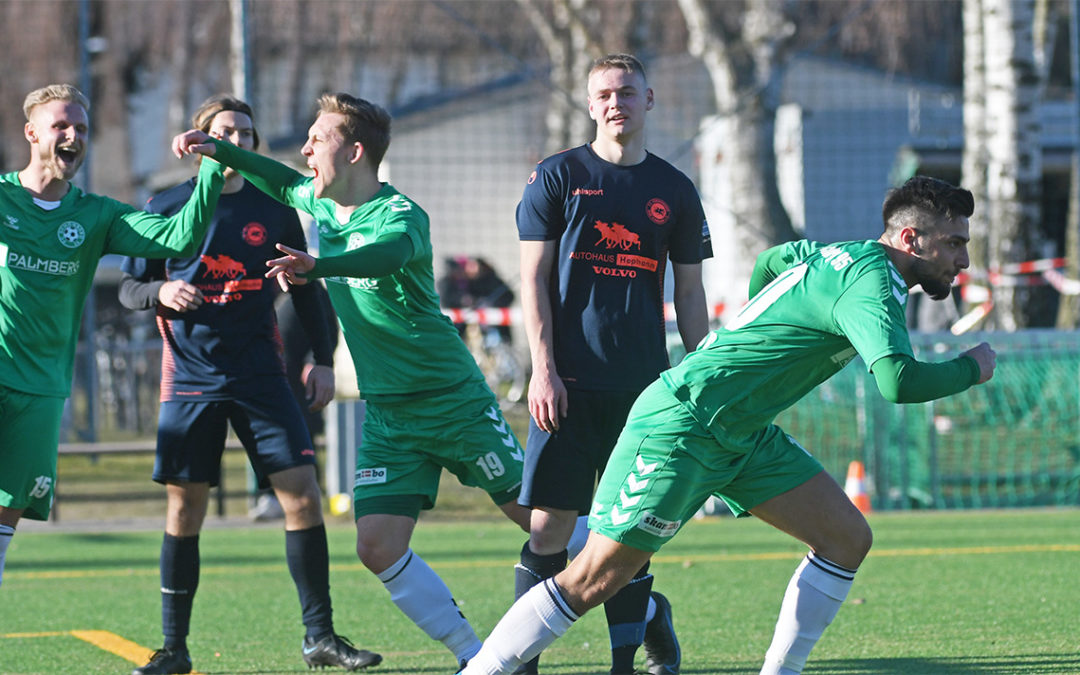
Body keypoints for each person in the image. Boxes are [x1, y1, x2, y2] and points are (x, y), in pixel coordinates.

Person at [459, 175, 997, 675]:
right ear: (910, 238)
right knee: (593, 577)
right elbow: (897, 382)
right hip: (686, 423)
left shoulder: (838, 254)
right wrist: (972, 368)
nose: (964, 259)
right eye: (954, 243)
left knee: (845, 537)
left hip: (742, 430)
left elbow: (772, 260)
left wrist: (752, 324)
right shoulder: (873, 282)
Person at [171, 92, 533, 670]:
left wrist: (322, 266)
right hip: (389, 413)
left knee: (544, 523)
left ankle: (639, 601)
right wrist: (217, 149)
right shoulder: (321, 203)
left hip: (452, 402)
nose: (307, 147)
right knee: (376, 546)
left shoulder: (401, 217)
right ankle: (475, 655)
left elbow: (385, 256)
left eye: (319, 137)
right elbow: (274, 174)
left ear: (357, 152)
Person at [118, 95, 379, 675]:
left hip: (261, 374)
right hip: (189, 380)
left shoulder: (276, 211)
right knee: (185, 509)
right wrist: (159, 292)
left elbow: (308, 289)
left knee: (303, 495)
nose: (235, 141)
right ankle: (174, 649)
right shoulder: (168, 206)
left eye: (246, 133)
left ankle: (320, 638)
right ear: (199, 142)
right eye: (224, 131)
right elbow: (129, 289)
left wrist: (325, 358)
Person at [512, 53, 711, 675]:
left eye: (626, 91)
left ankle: (626, 662)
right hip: (565, 383)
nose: (614, 103)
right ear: (589, 104)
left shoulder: (674, 189)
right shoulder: (557, 176)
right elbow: (533, 281)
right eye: (603, 94)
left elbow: (691, 293)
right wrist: (541, 368)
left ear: (648, 100)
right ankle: (522, 658)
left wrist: (701, 374)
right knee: (548, 528)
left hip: (644, 389)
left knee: (632, 528)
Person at [0, 84, 224, 590]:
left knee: (3, 522)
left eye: (80, 128)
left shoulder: (97, 215)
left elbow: (179, 238)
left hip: (41, 388)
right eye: (61, 126)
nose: (73, 135)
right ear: (32, 133)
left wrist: (211, 168)